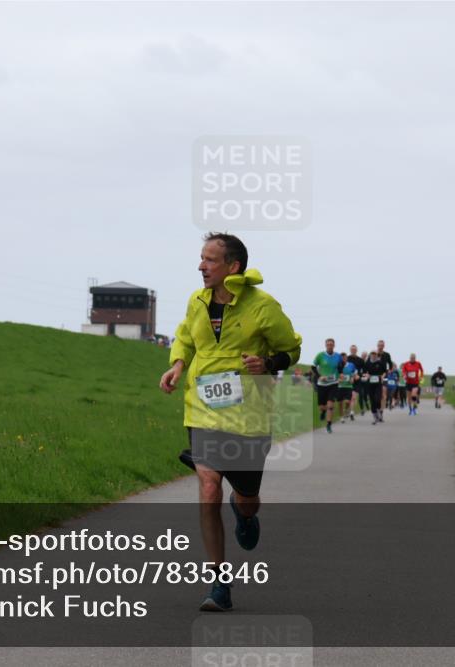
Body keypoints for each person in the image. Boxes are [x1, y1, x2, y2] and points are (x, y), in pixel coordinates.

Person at [160, 232, 302, 612]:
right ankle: (219, 582)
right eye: (201, 258)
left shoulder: (262, 306)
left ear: (232, 266)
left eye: (210, 260)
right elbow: (185, 338)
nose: (201, 266)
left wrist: (267, 363)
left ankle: (244, 512)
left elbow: (290, 349)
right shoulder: (197, 301)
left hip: (248, 416)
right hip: (203, 408)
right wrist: (177, 365)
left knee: (247, 498)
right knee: (208, 486)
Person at [312, 338, 342, 433]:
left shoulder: (338, 356)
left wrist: (340, 375)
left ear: (334, 345)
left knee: (330, 405)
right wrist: (320, 376)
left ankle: (329, 424)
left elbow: (340, 367)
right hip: (322, 384)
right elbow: (313, 367)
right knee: (322, 406)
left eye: (331, 344)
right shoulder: (320, 355)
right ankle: (323, 411)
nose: (330, 346)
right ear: (325, 345)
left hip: (333, 383)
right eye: (328, 344)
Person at [364, 351, 387, 423]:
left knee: (377, 398)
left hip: (378, 383)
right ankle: (374, 416)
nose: (373, 356)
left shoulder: (380, 363)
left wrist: (382, 376)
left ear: (377, 355)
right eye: (372, 354)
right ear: (370, 355)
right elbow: (364, 372)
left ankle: (379, 411)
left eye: (375, 354)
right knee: (372, 400)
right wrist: (367, 375)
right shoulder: (367, 363)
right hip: (370, 384)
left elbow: (385, 371)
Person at [346, 344, 366, 417]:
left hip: (357, 380)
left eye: (354, 349)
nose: (353, 351)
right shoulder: (347, 359)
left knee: (354, 397)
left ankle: (351, 412)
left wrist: (359, 376)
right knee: (348, 398)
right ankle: (347, 411)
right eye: (352, 349)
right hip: (348, 380)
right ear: (350, 350)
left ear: (356, 350)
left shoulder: (360, 360)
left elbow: (364, 371)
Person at [336, 356, 356, 422]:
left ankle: (346, 410)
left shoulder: (350, 366)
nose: (343, 359)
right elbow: (335, 375)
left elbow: (353, 374)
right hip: (340, 387)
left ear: (346, 359)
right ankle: (341, 417)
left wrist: (352, 379)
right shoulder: (338, 366)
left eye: (345, 358)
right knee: (340, 403)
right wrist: (338, 379)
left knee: (347, 401)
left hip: (348, 387)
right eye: (342, 358)